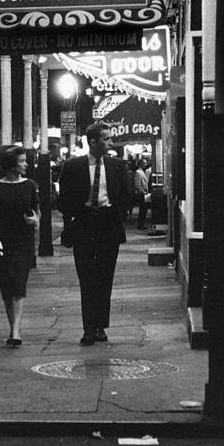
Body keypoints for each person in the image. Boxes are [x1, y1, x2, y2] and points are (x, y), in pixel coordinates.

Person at [58, 122, 132, 345]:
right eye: (106, 139)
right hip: (84, 224)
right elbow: (63, 200)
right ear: (93, 142)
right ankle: (89, 328)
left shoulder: (117, 165)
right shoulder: (72, 167)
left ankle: (100, 326)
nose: (111, 143)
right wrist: (77, 213)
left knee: (105, 277)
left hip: (108, 224)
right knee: (87, 277)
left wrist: (119, 215)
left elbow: (126, 195)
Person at [0, 146, 40, 348]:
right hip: (4, 238)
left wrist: (34, 221)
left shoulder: (29, 185)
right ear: (11, 164)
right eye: (22, 161)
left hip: (24, 239)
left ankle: (16, 330)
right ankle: (13, 327)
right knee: (7, 284)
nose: (26, 164)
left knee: (19, 283)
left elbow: (37, 211)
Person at [133, 158, 151, 230]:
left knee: (144, 210)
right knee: (142, 210)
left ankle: (142, 224)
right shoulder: (138, 172)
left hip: (144, 193)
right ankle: (140, 224)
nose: (145, 164)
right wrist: (143, 191)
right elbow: (137, 184)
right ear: (141, 164)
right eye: (144, 163)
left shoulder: (142, 172)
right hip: (141, 194)